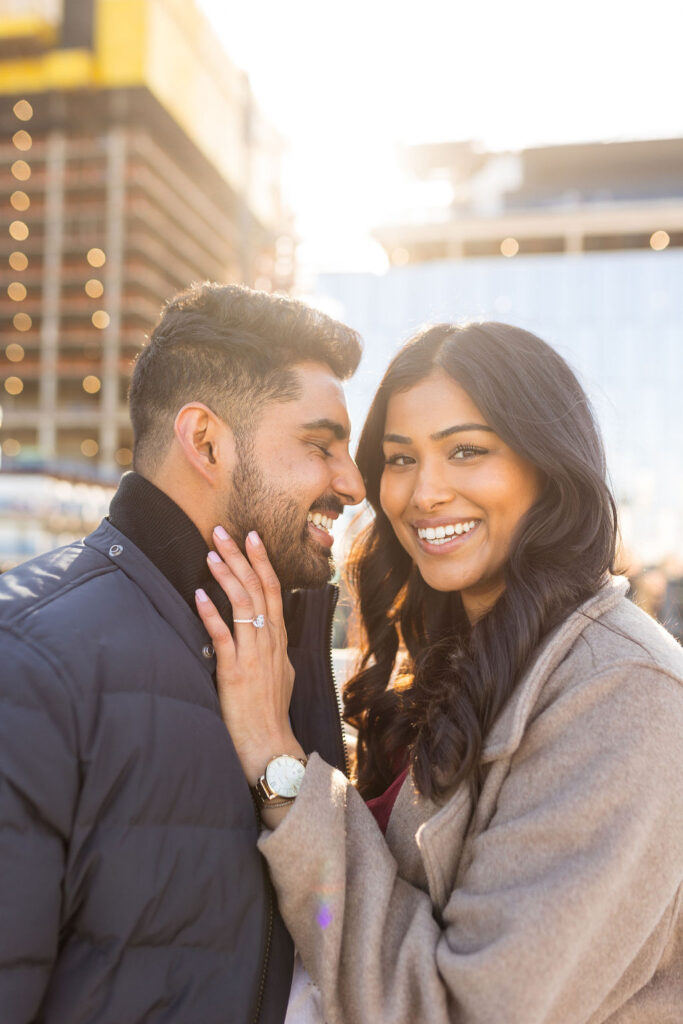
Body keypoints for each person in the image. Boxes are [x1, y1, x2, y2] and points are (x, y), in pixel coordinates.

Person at [198, 322, 683, 1023]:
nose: (423, 492)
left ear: (546, 466)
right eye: (399, 459)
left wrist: (280, 767)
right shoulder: (451, 652)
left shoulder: (623, 693)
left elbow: (454, 1011)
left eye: (466, 451)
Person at [0, 283, 365, 1024]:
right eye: (319, 445)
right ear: (205, 442)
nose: (352, 484)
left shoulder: (282, 656)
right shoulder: (30, 663)